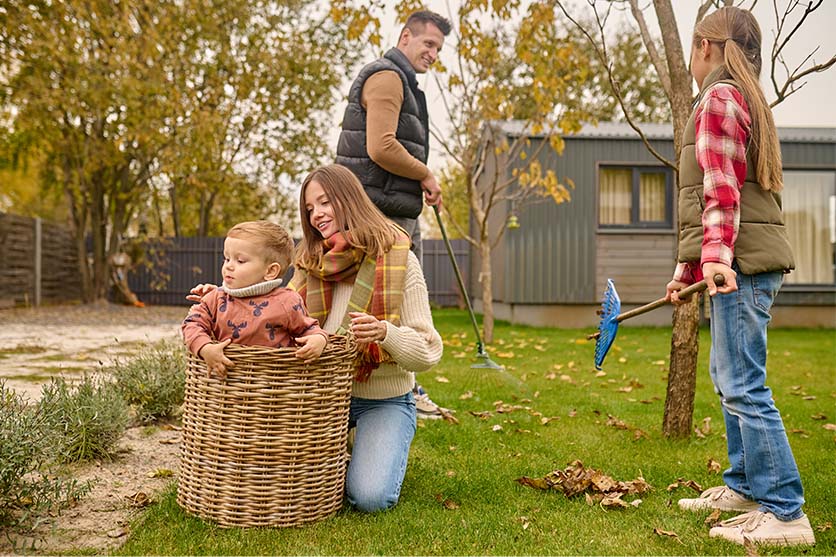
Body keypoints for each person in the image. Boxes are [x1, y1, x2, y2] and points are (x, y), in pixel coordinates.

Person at [665, 7, 814, 547]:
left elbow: (722, 191)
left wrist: (715, 258)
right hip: (737, 260)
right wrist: (688, 268)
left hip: (739, 263)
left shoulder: (720, 98)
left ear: (704, 46)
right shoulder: (738, 96)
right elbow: (708, 196)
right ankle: (746, 486)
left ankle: (786, 513)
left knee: (743, 384)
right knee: (729, 378)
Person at [290, 164, 443, 512]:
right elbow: (275, 316)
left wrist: (386, 333)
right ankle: (350, 449)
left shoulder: (399, 259)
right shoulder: (310, 262)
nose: (316, 215)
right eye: (310, 208)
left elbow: (428, 351)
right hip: (321, 398)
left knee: (370, 498)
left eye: (325, 202)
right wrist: (225, 300)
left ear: (349, 199)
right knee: (282, 475)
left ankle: (371, 443)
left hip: (384, 400)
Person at [336, 10, 452, 419]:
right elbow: (381, 146)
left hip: (394, 206)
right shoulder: (387, 77)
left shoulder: (404, 83)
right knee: (383, 301)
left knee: (401, 306)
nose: (433, 53)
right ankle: (371, 391)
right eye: (428, 43)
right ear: (405, 37)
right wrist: (426, 174)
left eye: (438, 48)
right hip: (376, 210)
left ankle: (405, 387)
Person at [182, 220, 328, 378]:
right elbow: (192, 323)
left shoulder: (287, 301)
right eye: (226, 259)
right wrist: (205, 348)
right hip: (225, 381)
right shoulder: (215, 298)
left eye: (240, 261)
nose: (229, 266)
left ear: (270, 271)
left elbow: (308, 328)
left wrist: (318, 339)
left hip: (273, 382)